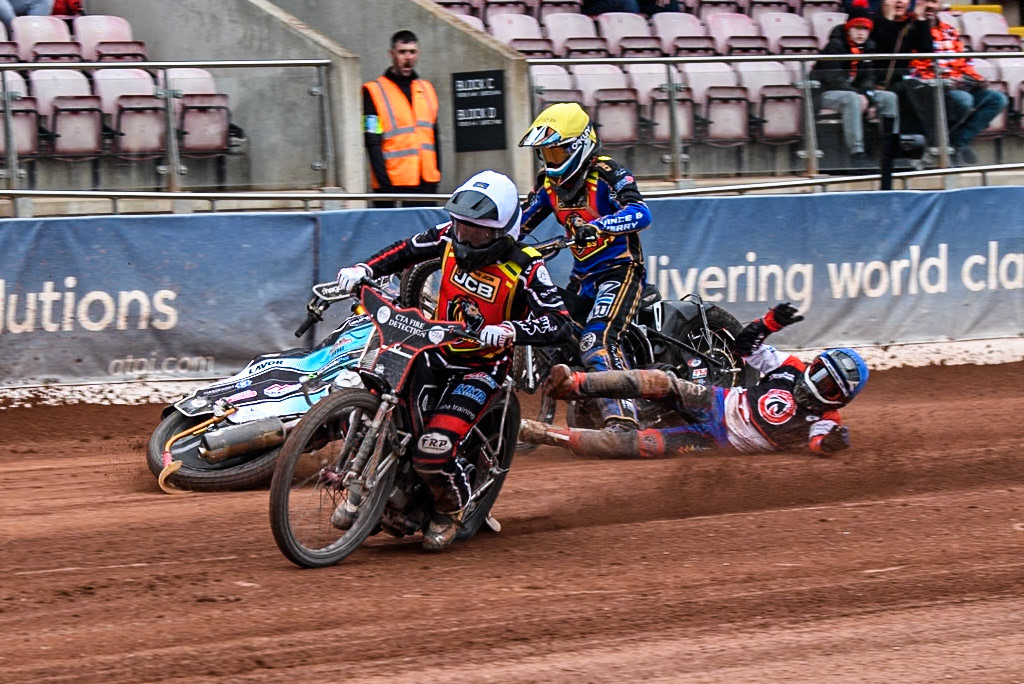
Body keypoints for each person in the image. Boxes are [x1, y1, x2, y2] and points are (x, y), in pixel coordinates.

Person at [334, 170, 570, 550]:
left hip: (481, 368)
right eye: (460, 226)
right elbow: (407, 249)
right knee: (376, 402)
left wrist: (511, 330)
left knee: (433, 449)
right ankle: (374, 485)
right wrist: (365, 269)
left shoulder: (526, 264)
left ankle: (450, 508)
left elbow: (559, 323)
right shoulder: (449, 235)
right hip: (434, 349)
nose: (463, 236)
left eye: (474, 231)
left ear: (501, 231)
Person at [520, 303, 869, 459]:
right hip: (717, 399)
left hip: (715, 439)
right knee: (660, 380)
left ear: (840, 399)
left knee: (636, 444)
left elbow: (819, 444)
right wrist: (769, 323)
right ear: (815, 364)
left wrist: (835, 443)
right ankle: (573, 383)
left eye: (829, 388)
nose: (818, 385)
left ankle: (541, 433)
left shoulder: (825, 421)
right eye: (821, 374)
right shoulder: (791, 366)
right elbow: (745, 347)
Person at [518, 102, 652, 433]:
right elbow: (519, 224)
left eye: (558, 153)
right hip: (583, 278)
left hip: (620, 271)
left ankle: (624, 419)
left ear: (580, 145)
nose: (552, 162)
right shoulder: (549, 186)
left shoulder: (609, 173)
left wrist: (603, 225)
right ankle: (590, 397)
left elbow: (641, 212)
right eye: (546, 155)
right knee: (553, 329)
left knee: (596, 340)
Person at [906, 0, 1009, 166]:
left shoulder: (949, 30)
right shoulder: (911, 28)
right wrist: (946, 81)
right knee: (964, 100)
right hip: (930, 88)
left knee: (997, 99)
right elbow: (917, 66)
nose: (930, 7)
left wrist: (977, 79)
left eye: (934, 2)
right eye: (926, 2)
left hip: (959, 85)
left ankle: (957, 142)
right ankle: (941, 144)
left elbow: (964, 62)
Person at [810, 7, 900, 166]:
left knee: (889, 97)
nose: (861, 33)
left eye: (865, 29)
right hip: (825, 93)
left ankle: (891, 150)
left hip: (854, 92)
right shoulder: (834, 46)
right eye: (857, 28)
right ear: (848, 28)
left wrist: (868, 98)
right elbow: (834, 79)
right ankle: (857, 153)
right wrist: (859, 95)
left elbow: (869, 78)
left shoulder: (869, 46)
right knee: (853, 99)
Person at [363, 30, 440, 208]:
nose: (408, 57)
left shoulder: (426, 89)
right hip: (393, 185)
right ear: (392, 54)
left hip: (426, 182)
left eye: (412, 52)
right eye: (402, 52)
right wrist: (385, 187)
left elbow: (434, 136)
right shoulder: (374, 91)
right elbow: (372, 140)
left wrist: (437, 174)